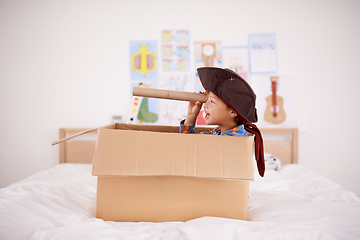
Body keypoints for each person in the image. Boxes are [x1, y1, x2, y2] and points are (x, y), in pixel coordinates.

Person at [179, 67, 265, 177]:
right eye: (206, 100)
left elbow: (195, 151)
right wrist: (191, 116)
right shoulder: (217, 133)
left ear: (233, 112)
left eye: (212, 101)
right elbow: (188, 145)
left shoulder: (236, 139)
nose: (205, 105)